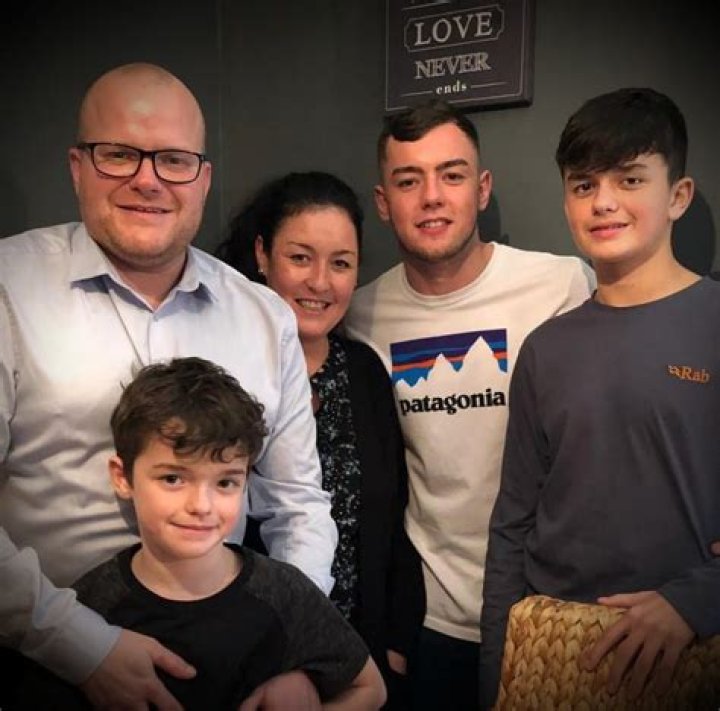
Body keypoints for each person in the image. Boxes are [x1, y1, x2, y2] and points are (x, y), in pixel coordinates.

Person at [0, 62, 336, 710]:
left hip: (228, 671)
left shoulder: (264, 316)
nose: (148, 179)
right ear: (77, 166)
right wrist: (82, 645)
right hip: (40, 666)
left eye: (174, 160)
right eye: (119, 154)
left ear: (203, 178)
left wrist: (290, 646)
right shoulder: (8, 289)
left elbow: (297, 502)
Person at [344, 99, 595, 710]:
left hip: (548, 611)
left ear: (482, 189)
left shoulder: (561, 285)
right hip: (429, 624)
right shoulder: (360, 313)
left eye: (451, 175)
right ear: (384, 202)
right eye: (409, 180)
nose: (432, 197)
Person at [478, 87, 720, 707]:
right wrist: (496, 674)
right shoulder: (545, 348)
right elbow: (513, 525)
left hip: (686, 659)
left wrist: (695, 600)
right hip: (553, 655)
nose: (604, 201)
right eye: (584, 185)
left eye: (630, 179)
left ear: (678, 196)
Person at [13, 357, 386, 710]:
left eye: (225, 482)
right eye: (173, 478)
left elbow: (370, 689)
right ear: (122, 477)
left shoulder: (286, 592)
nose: (201, 505)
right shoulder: (88, 608)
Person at [216, 171, 425, 709]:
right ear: (262, 256)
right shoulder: (223, 374)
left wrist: (394, 645)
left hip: (358, 658)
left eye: (341, 263)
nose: (320, 282)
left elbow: (394, 516)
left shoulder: (364, 371)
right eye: (300, 258)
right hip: (247, 659)